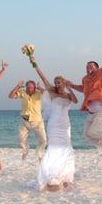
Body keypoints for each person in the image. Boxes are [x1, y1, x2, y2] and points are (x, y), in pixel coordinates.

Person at [30, 55, 78, 191]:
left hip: (65, 124)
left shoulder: (68, 95)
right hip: (54, 124)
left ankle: (65, 176)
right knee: (54, 148)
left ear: (63, 83)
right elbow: (43, 77)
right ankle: (51, 175)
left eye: (59, 82)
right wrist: (34, 63)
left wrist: (70, 88)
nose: (56, 84)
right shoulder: (51, 92)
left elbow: (75, 101)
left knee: (66, 148)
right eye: (55, 82)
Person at [67, 36, 102, 155]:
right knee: (87, 135)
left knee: (93, 132)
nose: (88, 67)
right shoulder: (85, 79)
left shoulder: (101, 74)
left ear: (96, 67)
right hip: (91, 113)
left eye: (91, 65)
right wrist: (71, 85)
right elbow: (83, 89)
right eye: (87, 66)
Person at [8, 77, 47, 161]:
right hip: (24, 122)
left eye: (32, 87)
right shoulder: (22, 93)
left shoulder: (39, 93)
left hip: (37, 122)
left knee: (44, 140)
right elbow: (10, 96)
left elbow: (47, 94)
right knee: (21, 140)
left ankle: (39, 153)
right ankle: (25, 150)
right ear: (26, 87)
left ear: (34, 88)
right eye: (28, 87)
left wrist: (39, 87)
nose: (30, 89)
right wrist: (18, 86)